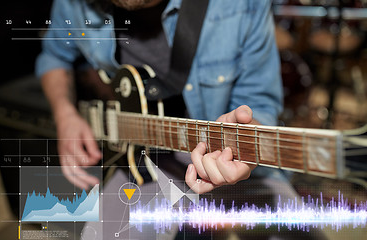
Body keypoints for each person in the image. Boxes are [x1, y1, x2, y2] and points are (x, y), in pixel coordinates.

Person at [36, 0, 283, 193]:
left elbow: (259, 104)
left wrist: (247, 149)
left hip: (222, 160)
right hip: (136, 163)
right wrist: (64, 114)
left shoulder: (245, 4)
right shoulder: (72, 4)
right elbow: (54, 56)